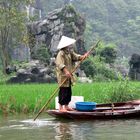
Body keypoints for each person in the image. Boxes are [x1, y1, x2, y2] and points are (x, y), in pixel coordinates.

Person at [55, 36, 88, 112]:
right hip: (63, 76)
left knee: (68, 91)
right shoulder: (61, 53)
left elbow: (76, 57)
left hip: (69, 76)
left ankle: (66, 106)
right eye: (68, 44)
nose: (70, 45)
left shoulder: (69, 52)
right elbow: (60, 64)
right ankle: (61, 108)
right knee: (63, 91)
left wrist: (83, 56)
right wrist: (66, 71)